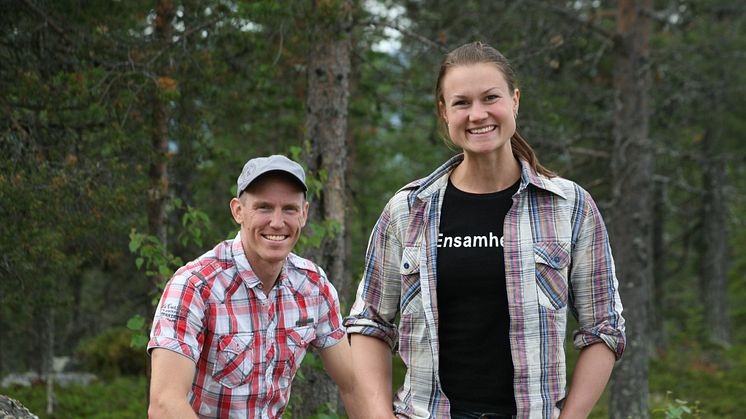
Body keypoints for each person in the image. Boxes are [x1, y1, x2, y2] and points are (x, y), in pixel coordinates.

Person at [344, 42, 626, 418]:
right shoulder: (408, 210)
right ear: (444, 112)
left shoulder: (569, 207)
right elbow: (370, 322)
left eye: (490, 98)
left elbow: (604, 328)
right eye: (461, 103)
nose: (478, 115)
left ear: (515, 101)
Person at [148, 155, 354, 418]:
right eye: (264, 207)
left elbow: (352, 384)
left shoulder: (314, 287)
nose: (277, 222)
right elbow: (165, 404)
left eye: (289, 209)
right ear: (238, 211)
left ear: (304, 214)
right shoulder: (194, 286)